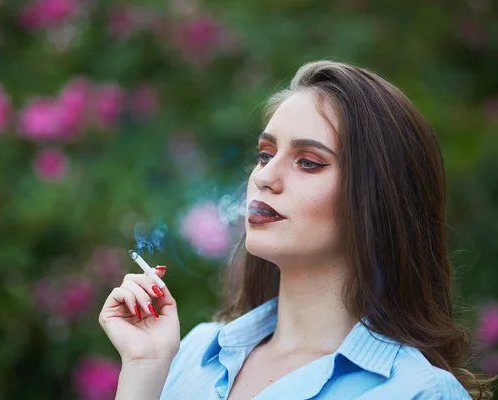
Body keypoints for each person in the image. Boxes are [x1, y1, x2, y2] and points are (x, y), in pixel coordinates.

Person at [98, 61, 496, 399]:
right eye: (265, 154)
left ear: (377, 199)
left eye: (308, 162)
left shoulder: (416, 391)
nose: (264, 177)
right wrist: (144, 371)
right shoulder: (192, 352)